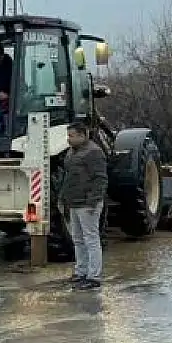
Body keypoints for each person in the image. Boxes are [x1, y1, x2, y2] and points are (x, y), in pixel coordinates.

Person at [62, 121, 108, 290]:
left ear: (83, 135)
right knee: (78, 239)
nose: (68, 139)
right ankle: (81, 271)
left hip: (87, 203)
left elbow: (100, 179)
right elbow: (68, 178)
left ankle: (94, 276)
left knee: (91, 239)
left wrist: (93, 201)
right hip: (74, 202)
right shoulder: (72, 152)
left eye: (71, 136)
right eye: (68, 135)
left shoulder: (93, 152)